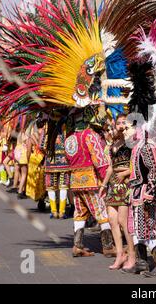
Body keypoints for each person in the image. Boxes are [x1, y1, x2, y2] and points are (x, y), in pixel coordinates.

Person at [122, 120, 156, 277]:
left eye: (127, 128)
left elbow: (155, 172)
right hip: (137, 194)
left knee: (147, 230)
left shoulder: (147, 145)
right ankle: (142, 262)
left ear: (137, 129)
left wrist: (149, 193)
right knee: (136, 230)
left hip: (145, 195)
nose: (124, 131)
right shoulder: (138, 145)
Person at [64, 109, 114, 258]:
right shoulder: (89, 135)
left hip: (75, 182)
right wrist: (108, 180)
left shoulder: (69, 138)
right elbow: (99, 161)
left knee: (80, 213)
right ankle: (108, 246)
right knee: (101, 212)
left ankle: (77, 245)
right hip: (91, 181)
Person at [102, 113, 136, 270]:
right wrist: (103, 186)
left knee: (124, 222)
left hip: (125, 183)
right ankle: (120, 254)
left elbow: (136, 164)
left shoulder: (132, 142)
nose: (121, 125)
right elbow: (110, 167)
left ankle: (132, 254)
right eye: (119, 123)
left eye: (124, 123)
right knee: (112, 221)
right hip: (113, 184)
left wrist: (125, 173)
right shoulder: (112, 145)